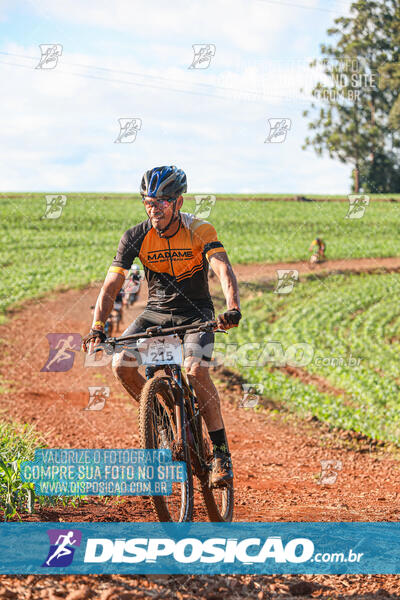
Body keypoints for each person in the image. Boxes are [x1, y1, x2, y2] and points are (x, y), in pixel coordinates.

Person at [83, 165, 241, 487]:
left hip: (196, 314)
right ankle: (165, 420)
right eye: (148, 202)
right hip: (155, 313)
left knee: (196, 371)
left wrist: (232, 307)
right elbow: (111, 285)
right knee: (121, 366)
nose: (153, 209)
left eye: (161, 202)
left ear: (178, 203)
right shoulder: (135, 237)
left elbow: (222, 269)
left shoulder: (200, 230)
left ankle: (221, 453)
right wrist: (98, 326)